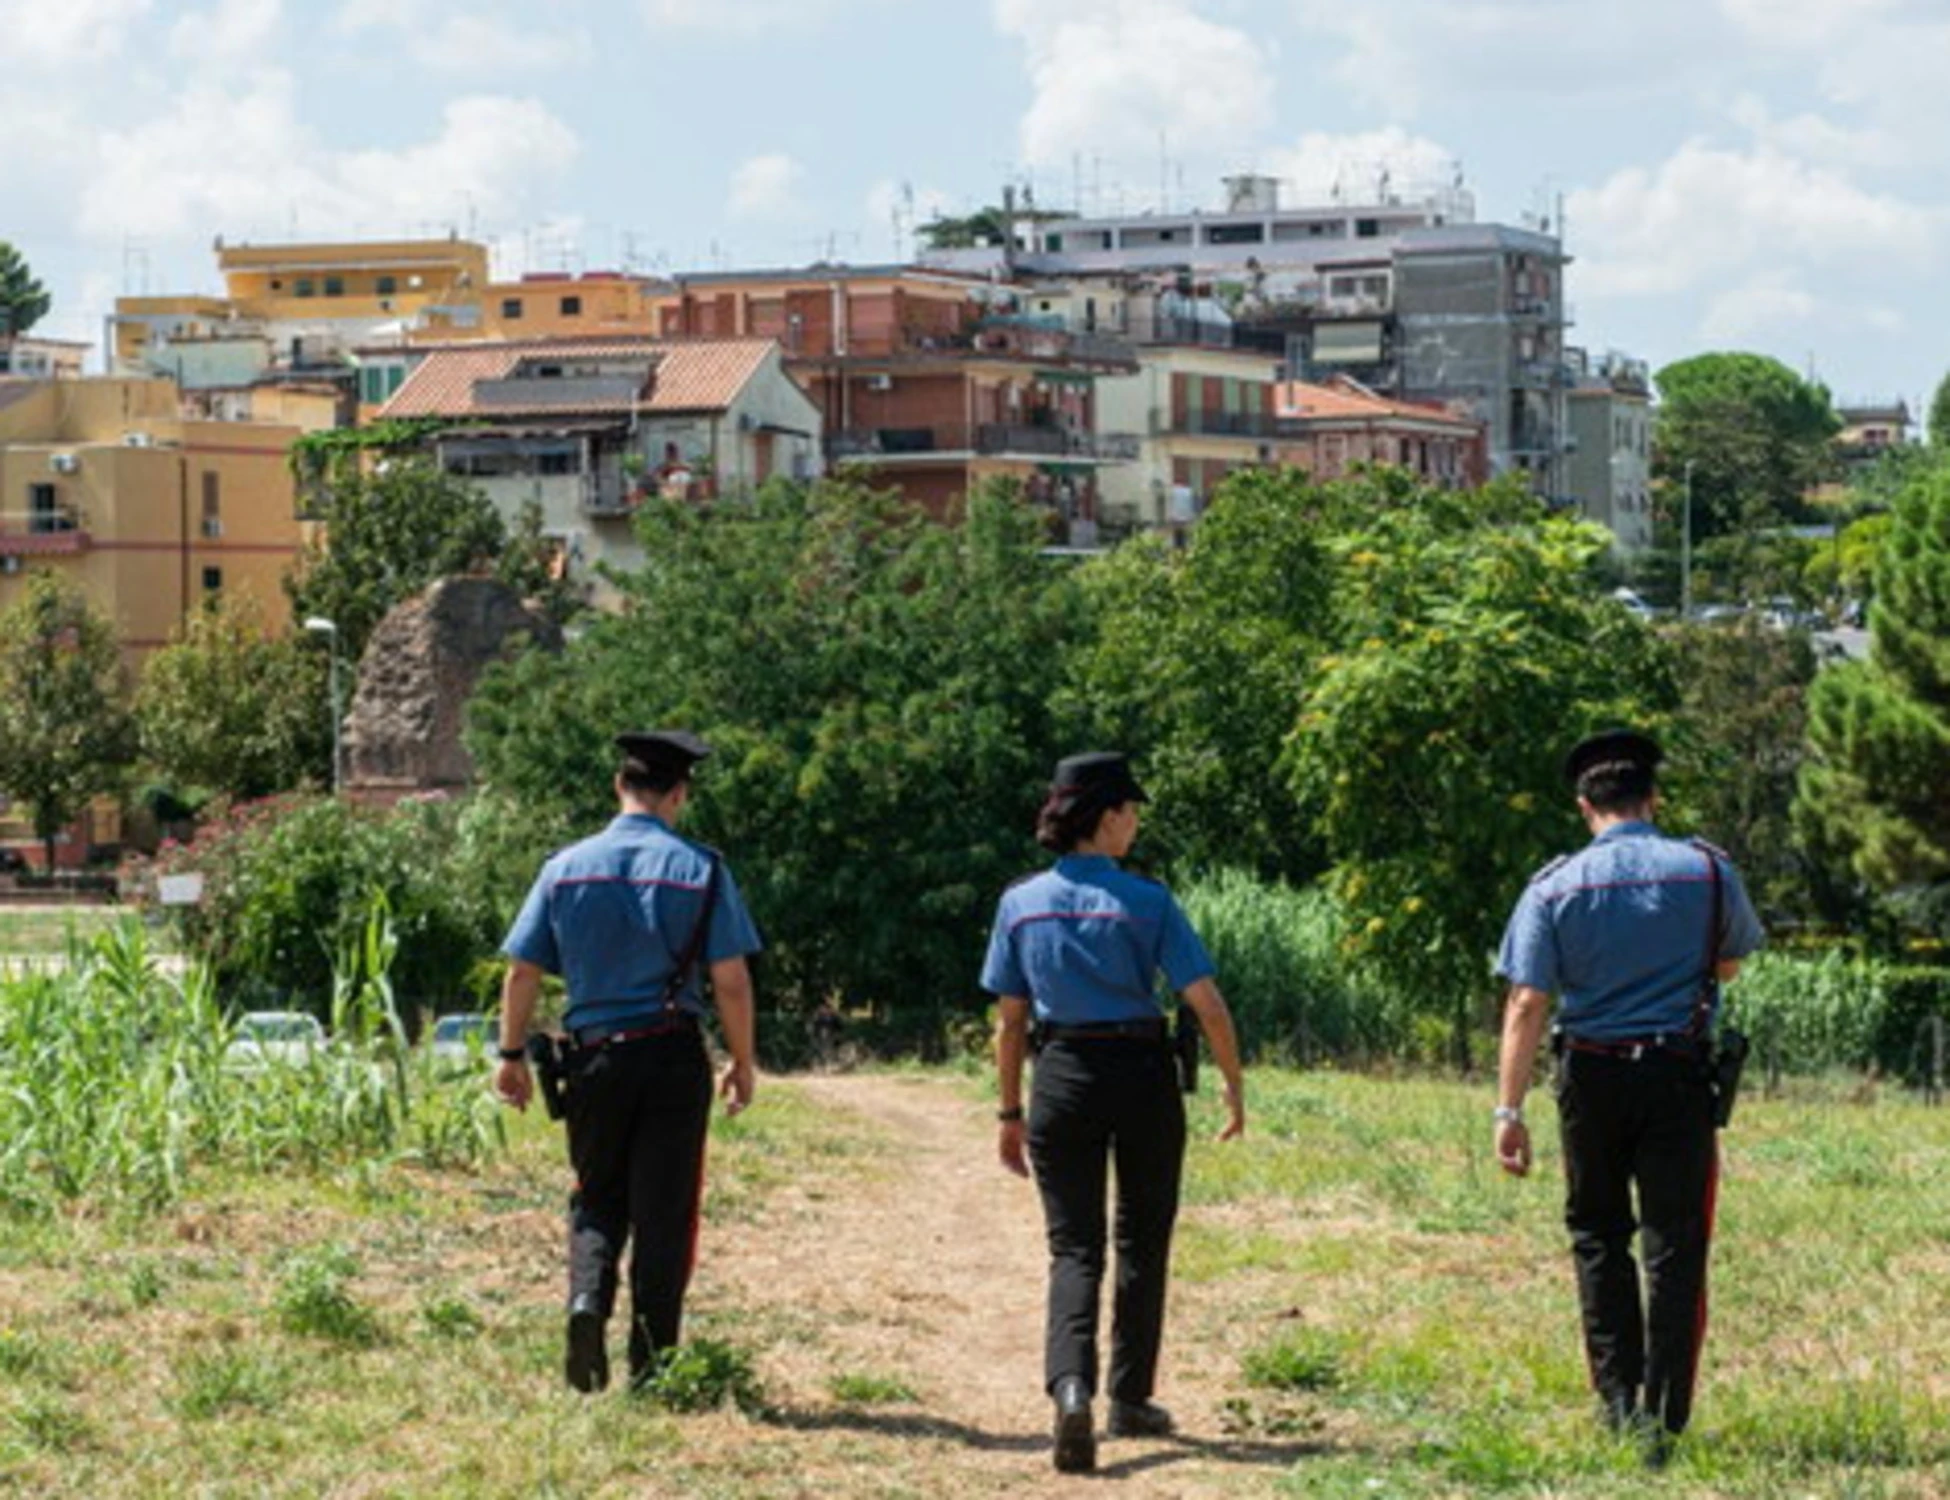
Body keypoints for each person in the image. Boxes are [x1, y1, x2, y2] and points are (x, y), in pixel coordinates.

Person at [1493, 729, 1764, 1464]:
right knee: (1676, 1247)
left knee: (1599, 1237)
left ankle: (1618, 1408)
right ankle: (1665, 1421)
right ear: (1654, 798)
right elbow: (1731, 962)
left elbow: (1526, 1001)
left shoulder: (1553, 886)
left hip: (1590, 1077)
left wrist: (1508, 1111)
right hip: (1677, 1078)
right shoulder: (1707, 872)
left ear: (1586, 805)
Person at [981, 751, 1246, 1474]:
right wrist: (1232, 1083)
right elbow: (1207, 1004)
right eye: (1131, 811)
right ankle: (1130, 1397)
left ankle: (1071, 1391)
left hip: (1060, 1075)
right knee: (1141, 1238)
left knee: (1074, 1248)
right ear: (1106, 817)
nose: (1135, 824)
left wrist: (1009, 1110)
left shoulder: (1020, 904)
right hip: (1142, 1076)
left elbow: (1009, 1020)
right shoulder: (1149, 901)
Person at [495, 730, 761, 1393]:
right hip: (672, 1057)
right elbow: (730, 979)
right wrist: (743, 1060)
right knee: (665, 1211)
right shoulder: (703, 870)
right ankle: (653, 1362)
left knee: (597, 1197)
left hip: (592, 1061)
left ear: (619, 786)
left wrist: (509, 1054)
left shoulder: (565, 868)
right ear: (679, 794)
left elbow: (523, 971)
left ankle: (587, 1303)